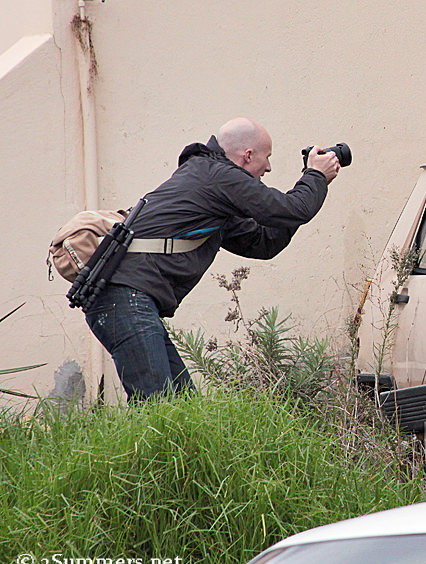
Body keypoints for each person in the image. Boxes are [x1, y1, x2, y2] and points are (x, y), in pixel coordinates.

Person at [84, 117, 342, 403]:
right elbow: (290, 208)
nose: (268, 167)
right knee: (157, 406)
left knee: (182, 407)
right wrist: (314, 176)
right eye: (267, 158)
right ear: (248, 155)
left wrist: (308, 189)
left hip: (127, 299)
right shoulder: (218, 176)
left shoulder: (211, 186)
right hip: (125, 298)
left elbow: (265, 242)